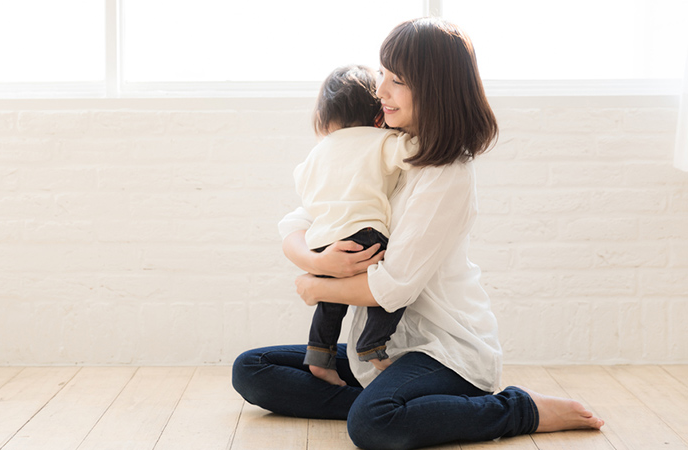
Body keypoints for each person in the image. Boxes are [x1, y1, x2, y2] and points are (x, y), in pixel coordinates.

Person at [233, 17, 604, 449]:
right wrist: (315, 261)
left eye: (398, 81)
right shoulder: (379, 148)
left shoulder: (447, 174)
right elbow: (299, 221)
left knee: (373, 425)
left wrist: (315, 287)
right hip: (380, 348)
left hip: (443, 348)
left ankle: (521, 409)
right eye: (383, 75)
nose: (381, 91)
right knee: (252, 369)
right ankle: (402, 406)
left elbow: (394, 286)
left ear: (434, 89)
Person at [294, 64, 419, 387]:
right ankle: (373, 344)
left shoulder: (316, 154)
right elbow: (412, 154)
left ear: (323, 118)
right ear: (378, 114)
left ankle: (319, 355)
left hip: (324, 242)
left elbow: (304, 190)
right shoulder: (380, 139)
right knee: (392, 285)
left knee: (330, 304)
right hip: (365, 234)